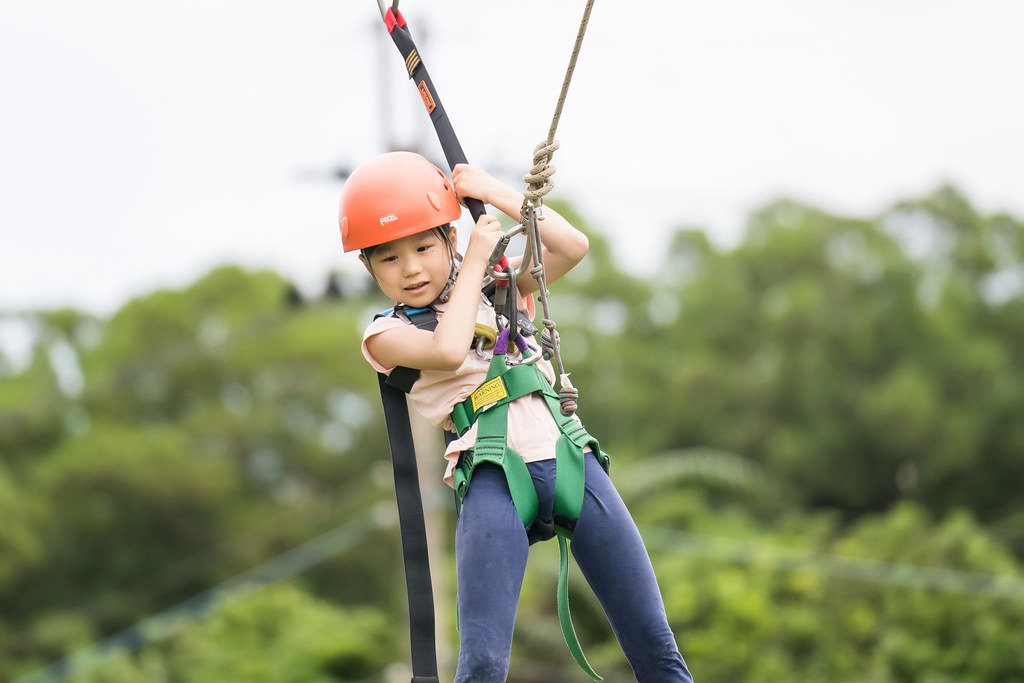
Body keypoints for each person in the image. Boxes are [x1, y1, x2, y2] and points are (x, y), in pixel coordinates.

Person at [340, 151, 693, 683]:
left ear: (449, 240)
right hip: (492, 474)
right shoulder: (385, 334)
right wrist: (479, 258)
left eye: (422, 247)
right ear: (368, 267)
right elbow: (448, 348)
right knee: (482, 663)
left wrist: (495, 191)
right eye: (388, 258)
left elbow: (572, 247)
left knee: (655, 645)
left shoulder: (502, 289)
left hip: (571, 458)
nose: (410, 268)